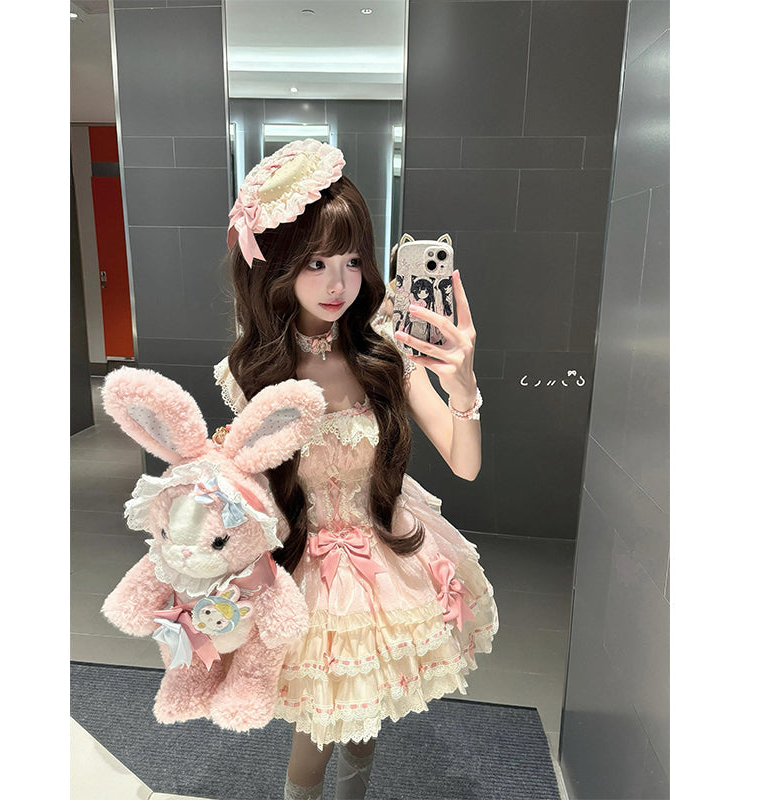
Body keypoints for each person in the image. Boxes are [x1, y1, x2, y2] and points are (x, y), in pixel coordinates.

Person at [214, 139, 498, 800]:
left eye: (350, 261)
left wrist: (463, 386)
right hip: (303, 565)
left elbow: (465, 464)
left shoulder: (386, 353)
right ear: (279, 264)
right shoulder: (251, 371)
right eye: (316, 263)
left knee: (368, 716)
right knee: (313, 737)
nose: (338, 284)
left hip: (384, 553)